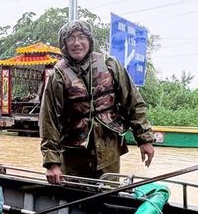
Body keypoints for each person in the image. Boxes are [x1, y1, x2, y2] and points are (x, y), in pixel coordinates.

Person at [39, 20, 156, 184]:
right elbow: (48, 120)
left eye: (81, 37)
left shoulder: (110, 65)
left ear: (89, 41)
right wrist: (52, 163)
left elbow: (133, 102)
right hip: (73, 155)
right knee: (75, 201)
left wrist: (144, 139)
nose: (76, 43)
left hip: (109, 151)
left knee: (107, 196)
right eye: (70, 38)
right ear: (64, 44)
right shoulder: (57, 75)